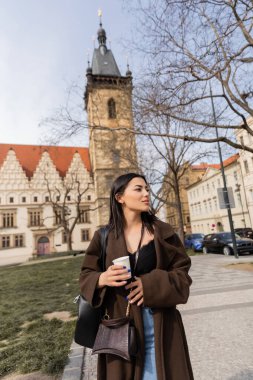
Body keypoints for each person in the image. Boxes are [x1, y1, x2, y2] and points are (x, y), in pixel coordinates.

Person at [79, 173, 194, 380]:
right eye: (138, 189)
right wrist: (102, 279)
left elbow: (182, 275)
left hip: (161, 327)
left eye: (147, 189)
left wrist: (150, 285)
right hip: (120, 330)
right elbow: (86, 275)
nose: (146, 194)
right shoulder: (103, 236)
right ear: (120, 197)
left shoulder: (163, 232)